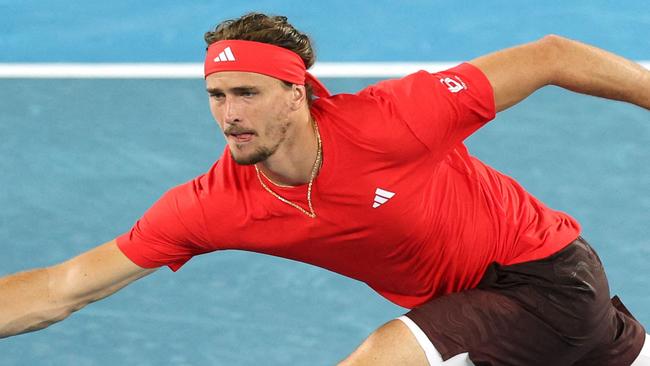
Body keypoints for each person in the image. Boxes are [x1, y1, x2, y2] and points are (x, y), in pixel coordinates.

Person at [1, 12, 649, 366]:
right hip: (506, 322)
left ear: (298, 92)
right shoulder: (214, 204)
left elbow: (554, 54)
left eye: (247, 93)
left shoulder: (394, 120)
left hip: (547, 280)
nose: (230, 114)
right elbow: (63, 288)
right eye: (217, 96)